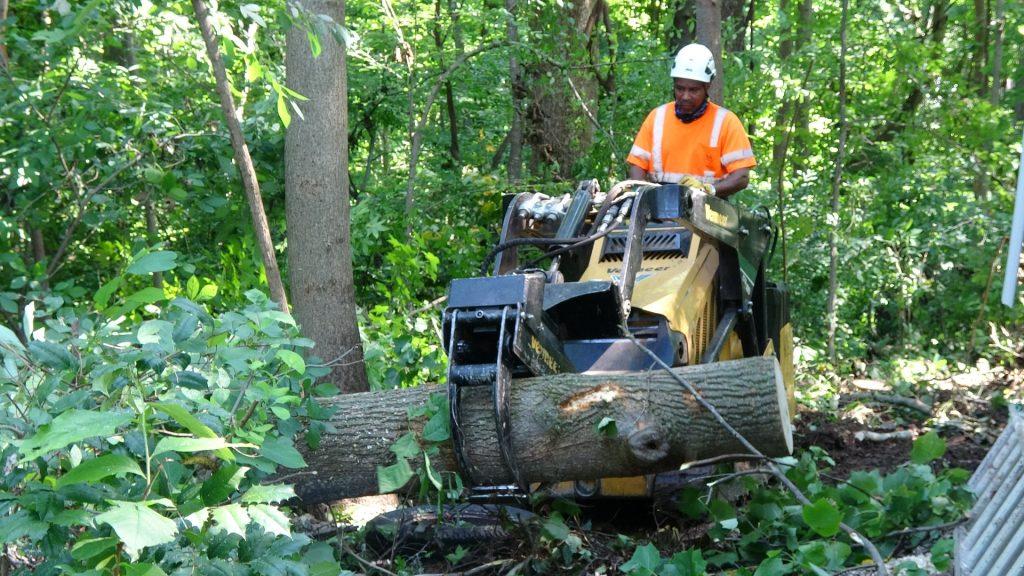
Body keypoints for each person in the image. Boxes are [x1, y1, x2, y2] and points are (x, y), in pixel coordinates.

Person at [626, 43, 756, 199]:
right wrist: (643, 195)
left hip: (709, 211)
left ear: (707, 86)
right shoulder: (657, 117)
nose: (685, 96)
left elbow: (741, 177)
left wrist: (708, 191)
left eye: (693, 90)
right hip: (659, 208)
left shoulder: (726, 122)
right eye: (680, 89)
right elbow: (637, 166)